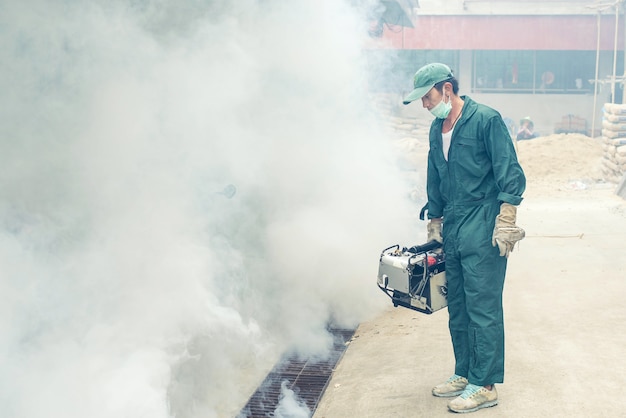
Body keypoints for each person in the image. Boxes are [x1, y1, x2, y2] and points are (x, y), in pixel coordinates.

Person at [403, 63, 526, 414]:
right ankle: (464, 373)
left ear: (445, 89)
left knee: (482, 308)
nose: (425, 105)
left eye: (426, 98)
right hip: (454, 224)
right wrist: (435, 222)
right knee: (456, 305)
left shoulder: (486, 119)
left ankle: (485, 385)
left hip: (484, 222)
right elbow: (435, 176)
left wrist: (507, 218)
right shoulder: (435, 130)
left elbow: (509, 171)